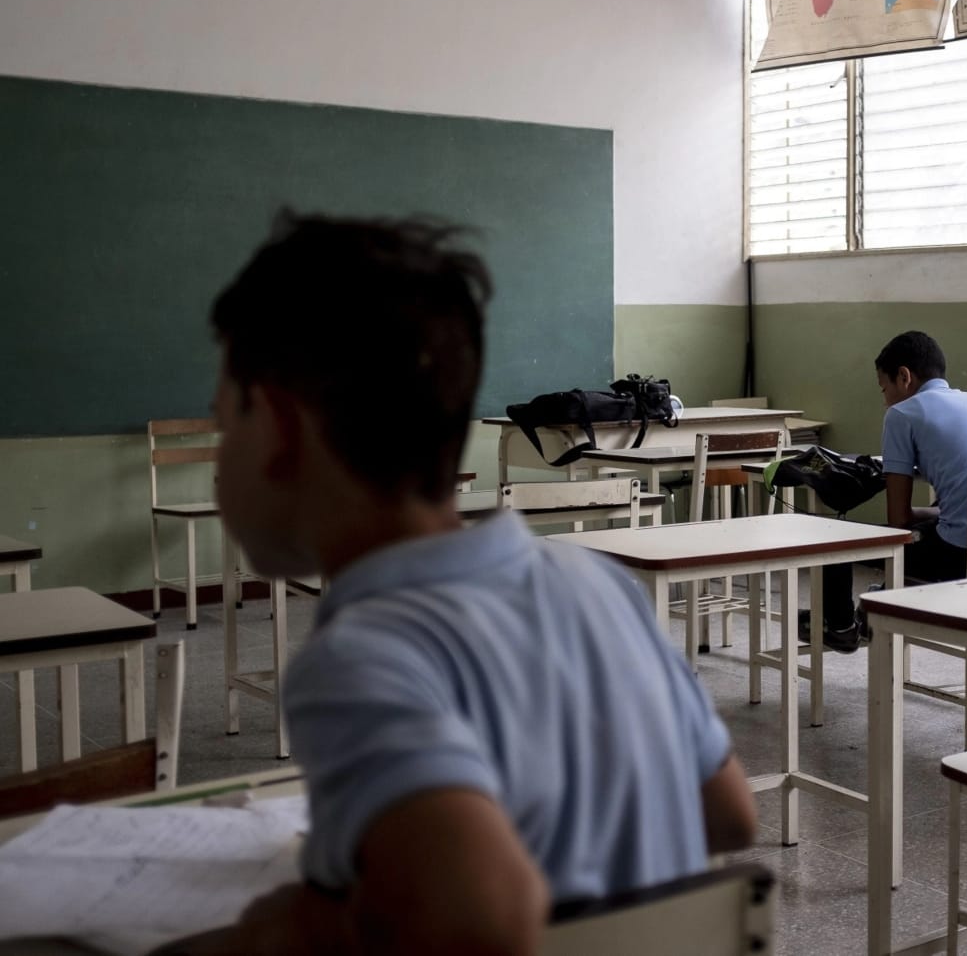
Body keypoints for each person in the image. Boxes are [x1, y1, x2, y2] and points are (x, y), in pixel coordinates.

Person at [172, 213, 756, 955]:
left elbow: (482, 916)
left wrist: (292, 927)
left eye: (228, 425)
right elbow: (730, 812)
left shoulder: (359, 657)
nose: (224, 459)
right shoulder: (597, 584)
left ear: (284, 430)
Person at [810, 331, 967, 652]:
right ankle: (873, 608)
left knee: (838, 539)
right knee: (927, 532)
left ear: (904, 377)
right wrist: (936, 515)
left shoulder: (902, 414)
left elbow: (899, 520)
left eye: (884, 388)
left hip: (966, 557)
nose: (885, 398)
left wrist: (919, 516)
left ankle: (841, 626)